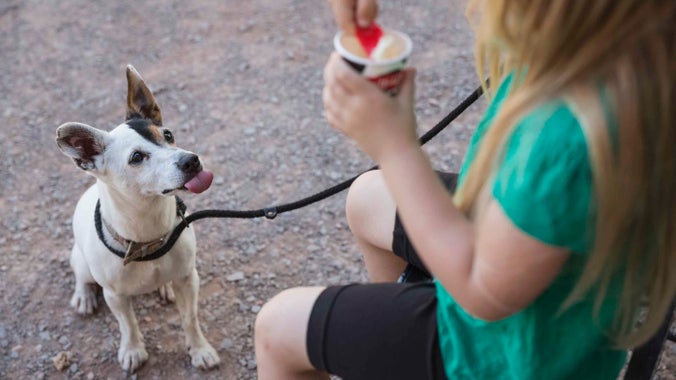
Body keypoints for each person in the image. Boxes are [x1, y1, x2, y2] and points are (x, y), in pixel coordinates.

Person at [254, 0, 676, 379]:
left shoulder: (572, 137)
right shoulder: (609, 49)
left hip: (511, 356)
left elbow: (482, 292)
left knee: (278, 328)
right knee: (368, 197)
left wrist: (394, 145)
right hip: (518, 273)